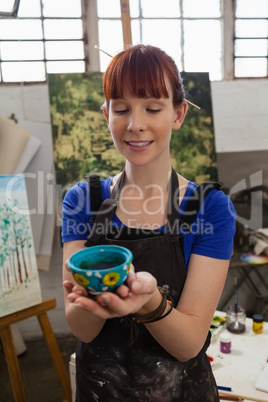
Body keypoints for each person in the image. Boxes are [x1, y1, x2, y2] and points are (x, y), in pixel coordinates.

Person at [62, 44, 236, 402]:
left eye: (152, 108)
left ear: (178, 113)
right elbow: (81, 328)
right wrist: (95, 301)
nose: (135, 124)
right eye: (121, 109)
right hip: (101, 390)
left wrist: (150, 303)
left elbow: (189, 344)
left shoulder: (209, 209)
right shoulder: (82, 201)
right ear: (106, 114)